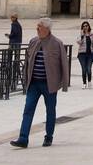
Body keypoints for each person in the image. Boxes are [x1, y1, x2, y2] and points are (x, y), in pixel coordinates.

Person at [10, 18, 70, 148]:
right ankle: (23, 138)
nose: (37, 29)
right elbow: (27, 61)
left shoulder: (57, 43)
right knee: (28, 110)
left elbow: (64, 64)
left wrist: (64, 84)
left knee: (50, 111)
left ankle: (48, 136)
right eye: (37, 26)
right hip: (34, 84)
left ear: (47, 29)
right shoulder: (33, 41)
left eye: (39, 26)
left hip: (50, 85)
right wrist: (25, 79)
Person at [76, 21, 93, 89]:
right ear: (82, 27)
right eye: (84, 26)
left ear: (89, 26)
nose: (85, 27)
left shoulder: (92, 35)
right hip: (82, 55)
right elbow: (79, 42)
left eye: (86, 26)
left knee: (89, 69)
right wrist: (82, 36)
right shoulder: (80, 35)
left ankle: (89, 81)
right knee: (84, 69)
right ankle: (84, 83)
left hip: (90, 54)